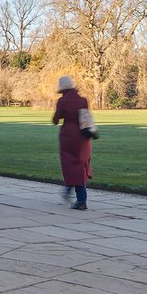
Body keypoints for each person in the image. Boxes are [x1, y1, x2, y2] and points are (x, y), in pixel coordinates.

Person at [52, 75, 92, 210]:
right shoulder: (83, 100)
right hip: (83, 135)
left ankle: (78, 199)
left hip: (68, 136)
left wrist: (62, 115)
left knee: (70, 165)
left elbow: (55, 120)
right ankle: (75, 195)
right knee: (80, 164)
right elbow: (85, 117)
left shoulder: (62, 101)